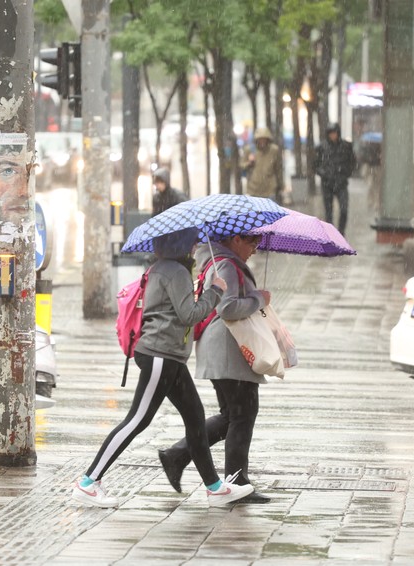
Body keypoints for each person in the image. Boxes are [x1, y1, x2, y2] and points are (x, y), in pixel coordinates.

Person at [71, 227, 254, 508]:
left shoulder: (164, 268)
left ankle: (215, 488)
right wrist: (215, 291)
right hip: (160, 356)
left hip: (169, 356)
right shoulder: (174, 271)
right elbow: (189, 315)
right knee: (137, 420)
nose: (195, 247)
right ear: (180, 244)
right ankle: (88, 482)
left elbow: (178, 310)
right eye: (192, 242)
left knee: (195, 418)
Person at [158, 233, 272, 504]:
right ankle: (236, 481)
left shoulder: (221, 261)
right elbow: (229, 308)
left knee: (232, 415)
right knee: (242, 414)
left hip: (223, 348)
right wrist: (259, 299)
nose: (255, 250)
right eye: (252, 243)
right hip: (227, 349)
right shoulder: (226, 265)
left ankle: (178, 455)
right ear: (235, 239)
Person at [315, 123, 357, 235]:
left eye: (335, 133)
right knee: (329, 212)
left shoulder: (346, 146)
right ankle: (330, 234)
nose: (333, 136)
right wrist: (324, 174)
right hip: (327, 183)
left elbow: (353, 162)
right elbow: (315, 165)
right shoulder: (321, 147)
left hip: (341, 183)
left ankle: (341, 232)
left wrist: (345, 173)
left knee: (344, 209)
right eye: (331, 133)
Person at [241, 127, 284, 202]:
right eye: (260, 139)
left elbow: (278, 168)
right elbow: (242, 165)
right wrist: (249, 163)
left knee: (271, 212)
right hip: (253, 188)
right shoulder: (250, 149)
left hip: (270, 188)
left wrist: (281, 185)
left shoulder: (274, 150)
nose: (262, 141)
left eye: (264, 139)